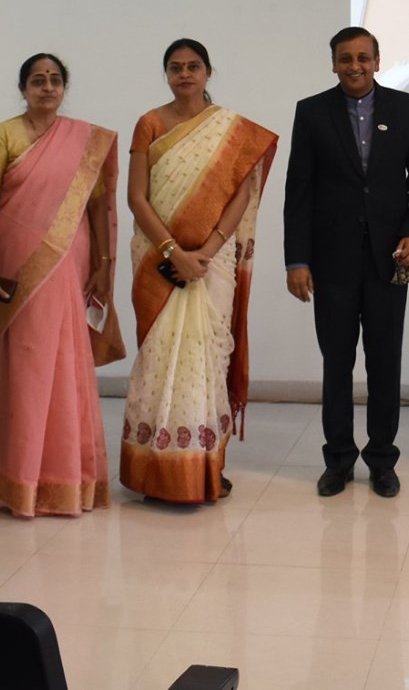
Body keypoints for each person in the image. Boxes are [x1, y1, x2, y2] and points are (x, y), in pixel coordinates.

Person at [120, 39, 278, 503]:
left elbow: (240, 196)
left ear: (208, 72)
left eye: (193, 66)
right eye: (175, 67)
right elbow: (136, 198)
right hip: (157, 258)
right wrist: (174, 253)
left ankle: (207, 465)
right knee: (159, 357)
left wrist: (203, 253)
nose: (185, 74)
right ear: (166, 74)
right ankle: (155, 470)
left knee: (209, 358)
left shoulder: (231, 129)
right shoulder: (149, 123)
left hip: (213, 261)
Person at [283, 27, 409, 498]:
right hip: (331, 262)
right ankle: (339, 460)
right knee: (337, 364)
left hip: (389, 260)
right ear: (333, 63)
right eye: (346, 58)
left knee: (385, 363)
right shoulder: (312, 112)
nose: (355, 66)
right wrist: (297, 260)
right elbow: (299, 192)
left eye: (363, 58)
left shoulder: (405, 109)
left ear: (377, 61)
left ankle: (382, 461)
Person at [0, 52, 119, 517]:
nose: (47, 88)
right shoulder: (4, 135)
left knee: (66, 362)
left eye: (55, 80)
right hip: (15, 266)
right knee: (26, 367)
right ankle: (19, 480)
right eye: (38, 80)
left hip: (68, 262)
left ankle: (66, 480)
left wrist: (104, 264)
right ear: (23, 89)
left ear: (63, 87)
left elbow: (97, 208)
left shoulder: (83, 140)